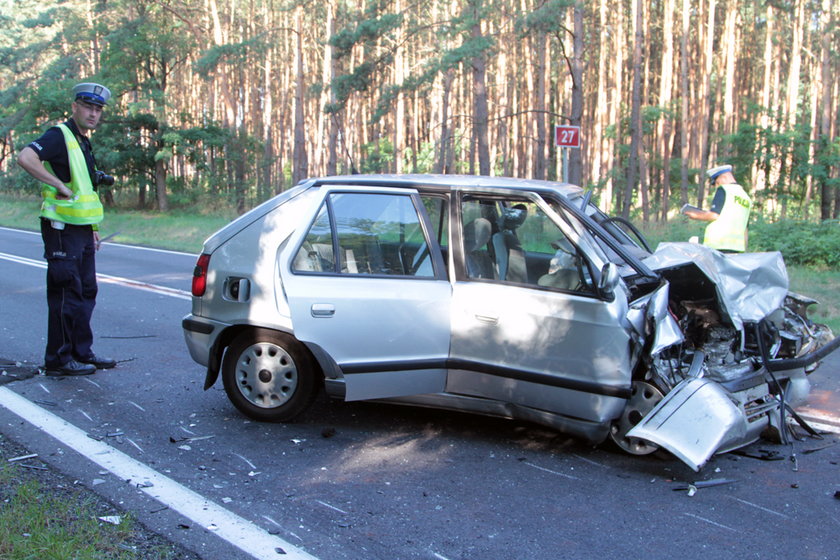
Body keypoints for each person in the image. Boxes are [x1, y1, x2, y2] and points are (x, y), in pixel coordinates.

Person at [17, 82, 117, 376]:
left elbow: (86, 190)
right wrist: (56, 184)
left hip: (81, 229)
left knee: (86, 291)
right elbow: (26, 157)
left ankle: (81, 353)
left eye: (98, 109)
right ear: (75, 107)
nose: (93, 113)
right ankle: (58, 361)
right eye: (88, 107)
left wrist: (93, 227)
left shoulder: (83, 140)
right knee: (66, 293)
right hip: (61, 229)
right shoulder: (59, 135)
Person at [681, 164, 752, 253]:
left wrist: (694, 214)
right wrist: (744, 250)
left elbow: (714, 215)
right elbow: (745, 228)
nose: (716, 186)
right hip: (737, 248)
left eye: (717, 182)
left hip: (718, 245)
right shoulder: (746, 197)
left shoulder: (724, 189)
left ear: (724, 178)